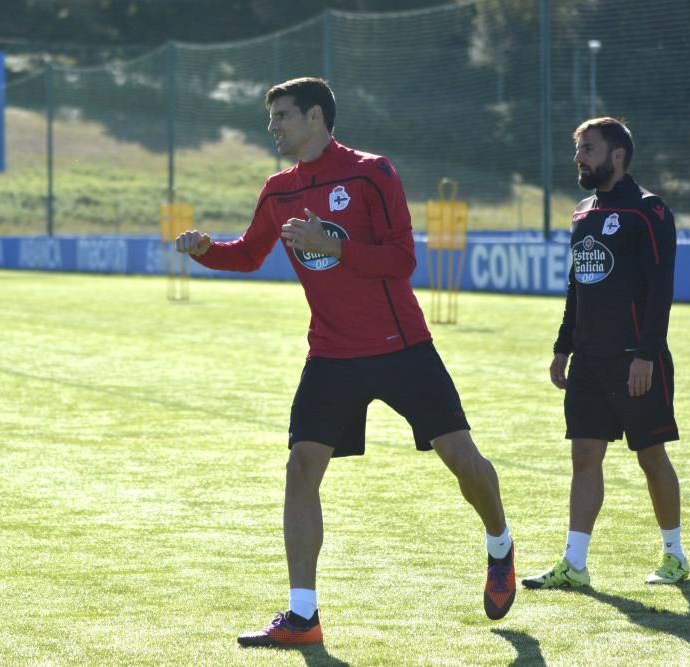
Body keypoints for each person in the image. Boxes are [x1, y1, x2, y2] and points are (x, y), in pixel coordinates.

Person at [175, 77, 517, 647]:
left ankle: (499, 543)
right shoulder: (278, 189)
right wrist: (207, 250)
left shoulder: (371, 172)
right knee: (301, 470)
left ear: (315, 117)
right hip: (331, 354)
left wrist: (334, 246)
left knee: (460, 458)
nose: (273, 127)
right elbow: (250, 253)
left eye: (282, 116)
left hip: (402, 346)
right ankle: (303, 616)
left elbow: (402, 259)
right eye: (271, 118)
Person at [521, 117, 689, 590]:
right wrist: (562, 347)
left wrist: (647, 355)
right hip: (589, 362)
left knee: (650, 457)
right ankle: (575, 563)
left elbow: (661, 291)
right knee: (584, 456)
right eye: (578, 149)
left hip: (634, 359)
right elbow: (577, 286)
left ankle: (674, 556)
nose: (579, 157)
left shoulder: (649, 212)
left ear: (617, 155)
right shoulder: (582, 213)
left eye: (588, 148)